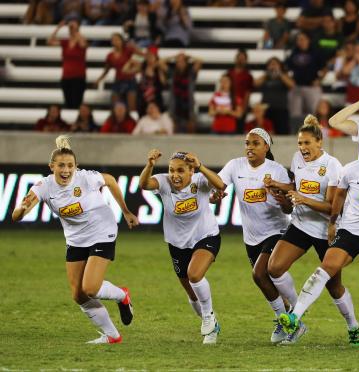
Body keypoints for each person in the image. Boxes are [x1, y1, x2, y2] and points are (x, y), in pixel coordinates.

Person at [278, 127, 359, 350]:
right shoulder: (350, 170)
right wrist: (332, 224)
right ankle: (295, 317)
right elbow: (338, 197)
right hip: (351, 232)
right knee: (326, 267)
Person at [12, 135, 139, 344]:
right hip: (75, 239)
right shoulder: (44, 186)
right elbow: (24, 206)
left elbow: (110, 180)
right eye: (61, 166)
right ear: (51, 166)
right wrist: (21, 210)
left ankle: (122, 296)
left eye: (70, 166)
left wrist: (125, 211)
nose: (66, 170)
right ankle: (112, 336)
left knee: (90, 288)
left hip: (102, 231)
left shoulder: (85, 178)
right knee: (79, 295)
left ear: (76, 166)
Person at [266, 115, 359, 346]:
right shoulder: (297, 159)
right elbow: (296, 186)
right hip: (300, 224)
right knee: (274, 268)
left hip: (325, 230)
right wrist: (280, 187)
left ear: (319, 142)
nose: (302, 148)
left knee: (334, 285)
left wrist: (304, 199)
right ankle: (296, 316)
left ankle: (353, 327)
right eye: (300, 143)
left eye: (307, 143)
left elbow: (332, 206)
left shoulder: (332, 166)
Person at [212, 128, 296, 343]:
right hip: (251, 236)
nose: (249, 147)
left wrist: (283, 201)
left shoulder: (276, 171)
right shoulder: (235, 165)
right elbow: (219, 185)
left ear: (266, 147)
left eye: (255, 143)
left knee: (259, 273)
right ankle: (286, 318)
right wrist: (215, 194)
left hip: (276, 231)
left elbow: (289, 208)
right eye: (247, 143)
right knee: (264, 281)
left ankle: (293, 316)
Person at [138, 149, 225, 344]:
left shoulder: (200, 181)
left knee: (195, 274)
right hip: (177, 243)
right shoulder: (163, 182)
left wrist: (201, 165)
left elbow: (220, 184)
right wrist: (150, 165)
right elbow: (143, 184)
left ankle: (209, 318)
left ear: (190, 171)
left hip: (206, 235)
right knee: (192, 293)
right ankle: (210, 322)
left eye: (180, 171)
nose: (175, 175)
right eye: (171, 170)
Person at [95, 33, 141, 113]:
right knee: (115, 106)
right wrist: (99, 79)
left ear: (121, 41)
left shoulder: (128, 50)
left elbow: (141, 56)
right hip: (118, 80)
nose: (115, 41)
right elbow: (107, 69)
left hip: (130, 80)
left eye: (117, 39)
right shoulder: (110, 55)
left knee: (131, 107)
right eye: (113, 40)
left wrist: (135, 68)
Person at [47, 19, 87, 109]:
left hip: (78, 77)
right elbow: (49, 41)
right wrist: (58, 28)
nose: (71, 28)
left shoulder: (81, 39)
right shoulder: (65, 42)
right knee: (68, 103)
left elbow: (83, 44)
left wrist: (76, 31)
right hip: (66, 76)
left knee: (77, 102)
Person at [164, 52, 202, 134]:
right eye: (178, 62)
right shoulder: (172, 73)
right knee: (174, 126)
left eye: (182, 61)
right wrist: (174, 56)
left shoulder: (190, 73)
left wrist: (189, 56)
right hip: (175, 103)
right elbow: (160, 62)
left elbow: (200, 61)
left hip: (188, 103)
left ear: (186, 62)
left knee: (191, 126)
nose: (179, 63)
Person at [254, 57, 294, 135]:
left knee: (282, 133)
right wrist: (267, 74)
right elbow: (255, 83)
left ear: (280, 66)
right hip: (266, 110)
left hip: (281, 109)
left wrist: (280, 73)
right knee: (266, 133)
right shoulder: (265, 77)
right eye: (271, 64)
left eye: (275, 64)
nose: (273, 66)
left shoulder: (284, 76)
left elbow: (291, 85)